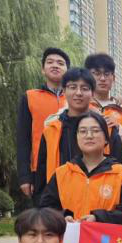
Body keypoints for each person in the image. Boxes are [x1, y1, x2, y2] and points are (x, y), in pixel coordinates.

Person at [41, 112, 122, 225]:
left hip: (104, 236)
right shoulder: (62, 173)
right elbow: (45, 209)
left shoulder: (120, 174)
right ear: (76, 138)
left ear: (106, 139)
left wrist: (98, 217)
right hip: (70, 235)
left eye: (95, 130)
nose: (89, 136)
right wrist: (62, 217)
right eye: (83, 131)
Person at [34, 68, 97, 200]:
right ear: (64, 90)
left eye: (85, 88)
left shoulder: (105, 128)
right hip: (59, 200)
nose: (78, 93)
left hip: (97, 200)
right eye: (73, 87)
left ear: (92, 93)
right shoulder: (51, 130)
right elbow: (42, 171)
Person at [16, 48, 69, 200]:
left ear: (68, 71)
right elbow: (23, 138)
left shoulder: (76, 98)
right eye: (50, 62)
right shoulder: (30, 97)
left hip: (71, 165)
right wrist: (24, 177)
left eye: (60, 63)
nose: (55, 65)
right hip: (40, 168)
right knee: (44, 213)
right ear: (43, 69)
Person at [84, 52, 122, 138]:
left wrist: (118, 128)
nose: (102, 78)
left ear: (113, 78)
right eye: (97, 74)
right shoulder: (79, 106)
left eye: (106, 74)